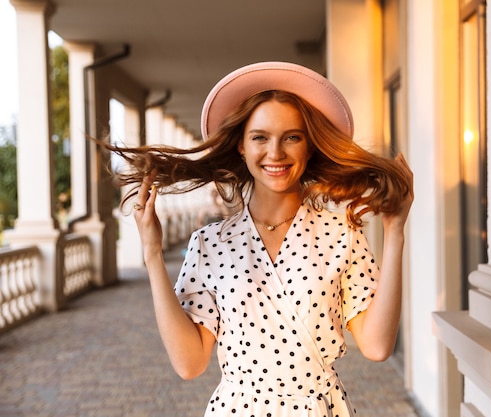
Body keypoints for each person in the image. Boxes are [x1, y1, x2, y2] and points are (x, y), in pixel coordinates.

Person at [111, 62, 413, 417]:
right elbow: (189, 364)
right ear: (240, 145)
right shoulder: (211, 244)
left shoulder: (341, 234)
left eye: (292, 137)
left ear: (310, 146)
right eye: (260, 137)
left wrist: (395, 233)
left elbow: (377, 347)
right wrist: (152, 254)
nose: (276, 153)